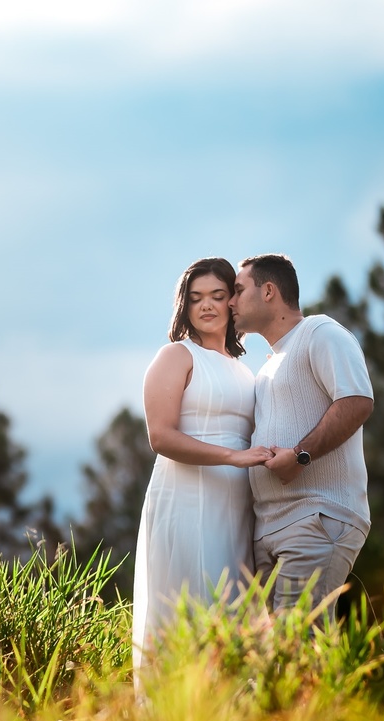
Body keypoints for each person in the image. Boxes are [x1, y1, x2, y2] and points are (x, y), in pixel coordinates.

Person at [133, 257, 273, 677]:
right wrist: (232, 457)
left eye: (217, 295)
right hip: (187, 500)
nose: (207, 306)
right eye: (196, 298)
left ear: (233, 300)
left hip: (235, 506)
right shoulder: (176, 355)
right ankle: (177, 716)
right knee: (192, 604)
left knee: (234, 607)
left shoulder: (244, 370)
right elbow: (160, 436)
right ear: (185, 306)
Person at [228, 253, 374, 622]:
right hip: (271, 530)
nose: (230, 302)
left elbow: (357, 401)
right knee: (275, 660)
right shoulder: (267, 366)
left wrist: (300, 456)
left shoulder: (320, 333)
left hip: (316, 517)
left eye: (238, 290)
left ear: (269, 291)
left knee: (301, 648)